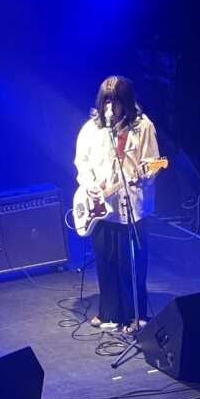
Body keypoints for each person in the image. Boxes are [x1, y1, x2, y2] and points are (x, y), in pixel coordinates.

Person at [74, 75, 160, 334]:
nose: (111, 108)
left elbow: (152, 163)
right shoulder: (92, 128)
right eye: (106, 102)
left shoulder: (142, 127)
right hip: (100, 207)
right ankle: (109, 313)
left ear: (127, 102)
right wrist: (89, 184)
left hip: (130, 208)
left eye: (116, 102)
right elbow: (82, 162)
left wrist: (144, 175)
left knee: (132, 265)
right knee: (105, 260)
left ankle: (135, 316)